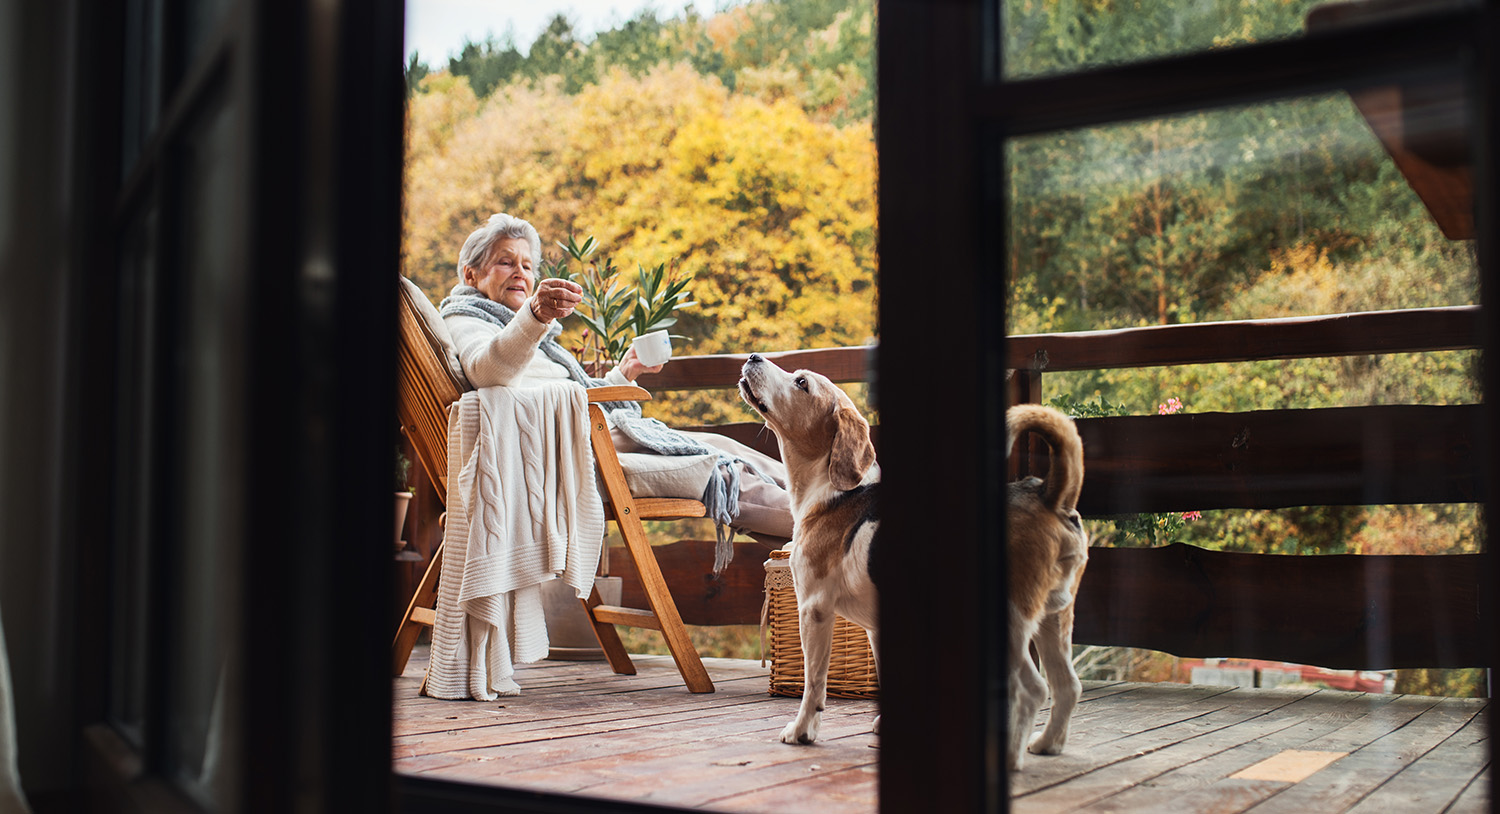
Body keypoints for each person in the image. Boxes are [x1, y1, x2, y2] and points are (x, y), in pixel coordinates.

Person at [440, 213, 793, 570]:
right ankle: (838, 525)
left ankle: (835, 509)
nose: (521, 273)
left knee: (727, 448)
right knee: (729, 476)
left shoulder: (512, 327)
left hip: (590, 438)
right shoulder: (466, 319)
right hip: (572, 457)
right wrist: (534, 315)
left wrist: (626, 372)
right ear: (471, 274)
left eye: (527, 265)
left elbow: (567, 393)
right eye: (506, 262)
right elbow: (487, 371)